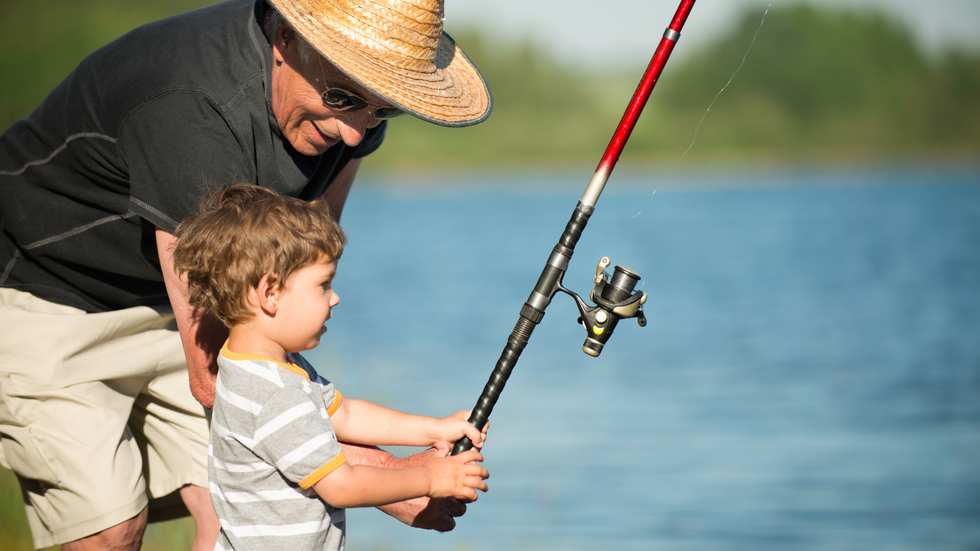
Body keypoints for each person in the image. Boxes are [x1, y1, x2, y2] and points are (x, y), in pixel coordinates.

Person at [0, 0, 492, 548]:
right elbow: (217, 375)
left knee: (236, 507)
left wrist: (419, 442)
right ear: (286, 40)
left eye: (382, 110)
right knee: (111, 530)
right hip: (45, 289)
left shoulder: (355, 112)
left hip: (175, 304)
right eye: (342, 98)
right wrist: (398, 481)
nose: (355, 135)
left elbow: (308, 257)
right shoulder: (192, 106)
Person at [172, 183, 489, 550]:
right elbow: (343, 485)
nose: (334, 297)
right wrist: (431, 478)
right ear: (270, 293)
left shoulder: (253, 363)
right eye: (323, 285)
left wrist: (433, 429)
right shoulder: (276, 396)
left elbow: (346, 414)